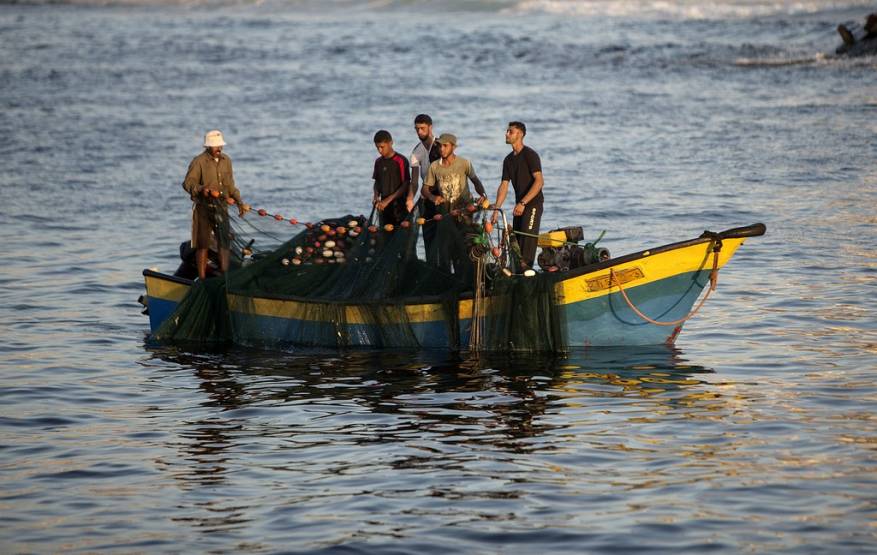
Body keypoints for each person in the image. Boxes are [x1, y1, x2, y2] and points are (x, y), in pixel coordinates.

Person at [182, 129, 247, 280]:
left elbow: (230, 186)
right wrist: (202, 189)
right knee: (202, 244)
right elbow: (187, 183)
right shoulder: (198, 161)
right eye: (216, 146)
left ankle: (224, 277)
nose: (219, 148)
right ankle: (203, 279)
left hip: (221, 207)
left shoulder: (227, 161)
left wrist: (239, 202)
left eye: (220, 145)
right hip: (203, 208)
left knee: (224, 242)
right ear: (208, 147)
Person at [491, 121, 544, 270]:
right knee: (517, 243)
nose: (506, 134)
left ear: (520, 134)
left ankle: (527, 273)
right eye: (507, 131)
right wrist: (496, 209)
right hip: (519, 206)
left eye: (510, 131)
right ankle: (517, 272)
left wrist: (523, 203)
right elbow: (504, 185)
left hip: (532, 204)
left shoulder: (530, 155)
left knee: (527, 241)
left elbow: (539, 182)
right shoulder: (508, 160)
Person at [421, 133, 487, 212]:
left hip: (465, 208)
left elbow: (476, 181)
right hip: (446, 210)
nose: (441, 149)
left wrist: (483, 195)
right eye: (440, 146)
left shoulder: (464, 163)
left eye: (445, 146)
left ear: (453, 147)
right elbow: (424, 189)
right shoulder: (434, 166)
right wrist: (432, 197)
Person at [372, 129, 411, 227]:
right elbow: (377, 182)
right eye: (377, 147)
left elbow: (406, 184)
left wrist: (388, 200)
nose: (380, 150)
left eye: (382, 147)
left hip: (399, 206)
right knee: (385, 234)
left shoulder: (401, 161)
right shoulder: (378, 162)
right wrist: (376, 196)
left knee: (400, 233)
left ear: (391, 143)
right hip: (383, 207)